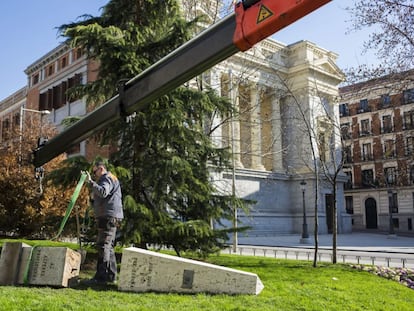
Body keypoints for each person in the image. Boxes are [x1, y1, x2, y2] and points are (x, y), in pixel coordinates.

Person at [85, 161, 123, 284]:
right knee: (108, 246)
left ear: (101, 169)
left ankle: (101, 277)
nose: (95, 175)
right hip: (111, 215)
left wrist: (91, 182)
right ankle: (111, 276)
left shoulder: (106, 178)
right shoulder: (111, 178)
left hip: (108, 216)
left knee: (103, 246)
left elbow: (103, 192)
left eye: (95, 172)